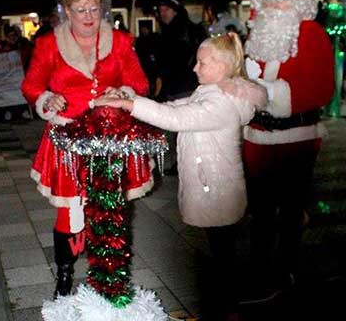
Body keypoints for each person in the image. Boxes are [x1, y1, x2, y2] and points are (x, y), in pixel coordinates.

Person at [95, 33, 267, 321]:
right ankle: (224, 306)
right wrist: (130, 97)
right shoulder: (210, 93)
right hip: (212, 184)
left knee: (222, 252)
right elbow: (177, 107)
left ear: (222, 66)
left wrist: (130, 106)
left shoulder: (221, 103)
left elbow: (177, 119)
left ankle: (227, 309)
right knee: (220, 249)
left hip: (217, 188)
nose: (195, 68)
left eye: (202, 63)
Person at [21, 0, 152, 300]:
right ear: (67, 10)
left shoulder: (120, 41)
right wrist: (46, 98)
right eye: (81, 10)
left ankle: (108, 274)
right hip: (67, 137)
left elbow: (140, 82)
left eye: (94, 8)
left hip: (109, 135)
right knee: (68, 211)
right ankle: (64, 275)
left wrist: (123, 91)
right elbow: (32, 84)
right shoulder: (49, 43)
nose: (89, 16)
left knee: (109, 207)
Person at [242, 0, 335, 302]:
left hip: (295, 138)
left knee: (290, 210)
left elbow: (321, 88)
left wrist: (266, 94)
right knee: (262, 212)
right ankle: (259, 269)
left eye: (279, 2)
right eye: (267, 2)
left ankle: (283, 272)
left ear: (296, 2)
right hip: (257, 138)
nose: (271, 9)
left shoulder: (312, 34)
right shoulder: (259, 36)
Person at [156, 0, 207, 175]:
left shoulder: (183, 29)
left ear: (175, 10)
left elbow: (187, 57)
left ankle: (185, 163)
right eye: (161, 10)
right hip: (177, 84)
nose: (162, 14)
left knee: (183, 126)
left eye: (166, 10)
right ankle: (182, 162)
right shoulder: (169, 30)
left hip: (184, 84)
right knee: (180, 125)